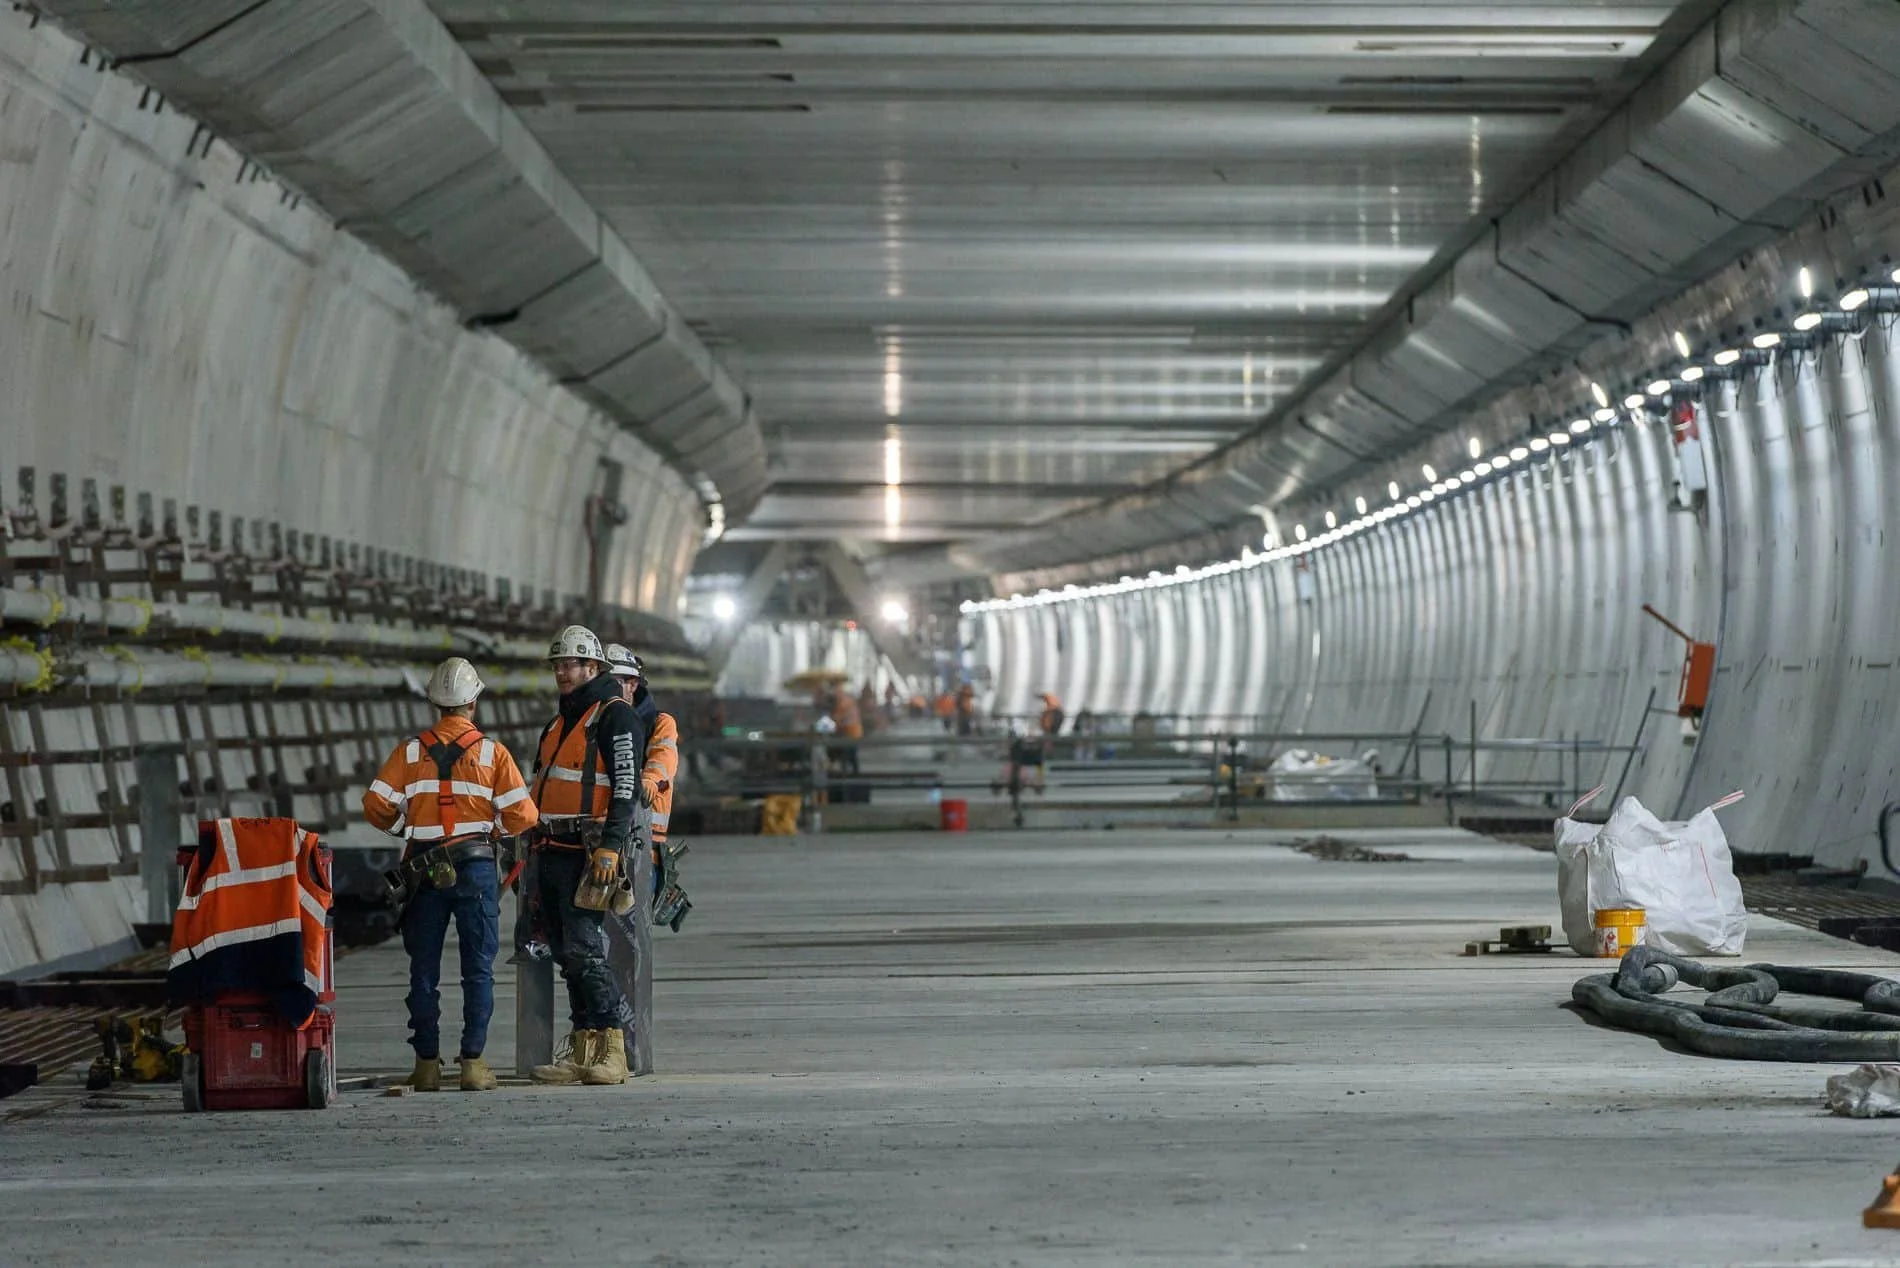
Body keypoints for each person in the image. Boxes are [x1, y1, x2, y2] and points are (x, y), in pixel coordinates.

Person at [362, 656, 538, 1092]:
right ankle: (473, 1065)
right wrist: (492, 830)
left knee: (423, 970)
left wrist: (406, 827)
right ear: (473, 702)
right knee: (478, 969)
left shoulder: (409, 752)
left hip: (422, 870)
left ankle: (426, 1066)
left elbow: (375, 804)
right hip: (476, 867)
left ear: (434, 704)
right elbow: (524, 814)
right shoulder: (492, 753)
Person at [525, 625, 647, 1087]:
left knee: (585, 951)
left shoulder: (615, 717)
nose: (561, 671)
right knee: (565, 951)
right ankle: (582, 1045)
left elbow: (625, 788)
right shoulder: (560, 723)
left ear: (593, 668)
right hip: (552, 848)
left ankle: (612, 1046)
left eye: (570, 664)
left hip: (589, 853)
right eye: (557, 665)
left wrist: (611, 849)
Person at [606, 644, 679, 893]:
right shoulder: (596, 721)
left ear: (633, 684)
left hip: (644, 842)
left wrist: (650, 780)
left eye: (615, 683)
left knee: (634, 924)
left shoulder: (659, 723)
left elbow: (663, 757)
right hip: (605, 837)